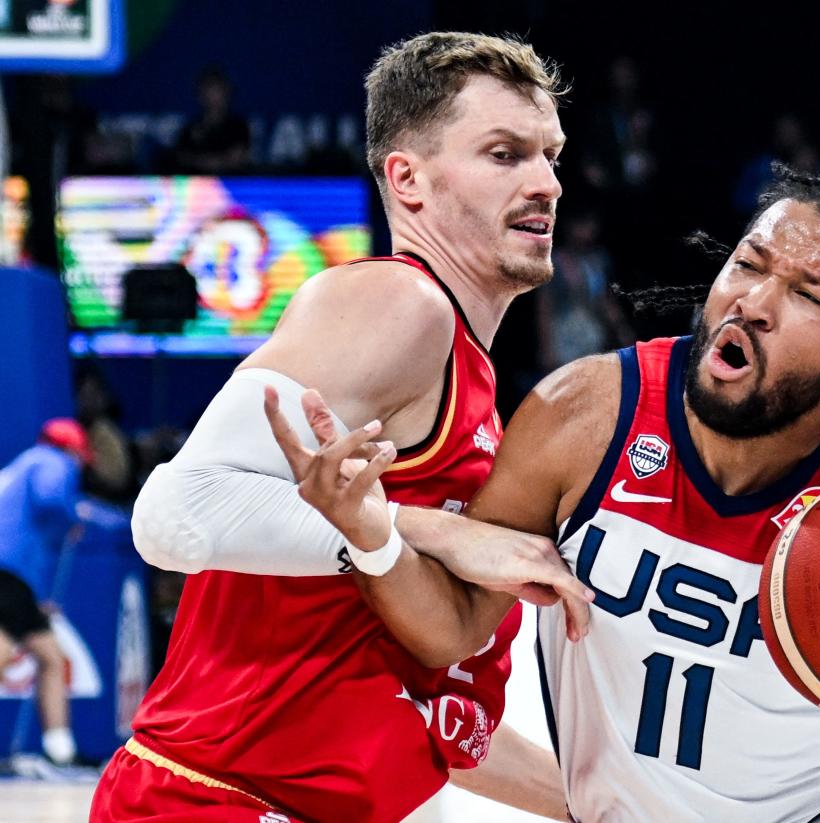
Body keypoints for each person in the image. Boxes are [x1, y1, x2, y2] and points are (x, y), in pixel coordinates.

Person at [274, 163, 820, 821]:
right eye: (749, 265)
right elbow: (455, 629)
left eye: (808, 295)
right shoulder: (586, 412)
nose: (752, 300)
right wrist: (378, 536)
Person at [92, 32, 591, 823]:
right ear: (408, 179)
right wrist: (430, 531)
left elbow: (435, 727)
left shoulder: (471, 385)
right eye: (505, 154)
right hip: (214, 799)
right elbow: (171, 517)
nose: (546, 183)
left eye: (550, 155)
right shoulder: (401, 304)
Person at [0, 418, 92, 767]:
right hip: (7, 573)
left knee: (51, 657)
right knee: (3, 654)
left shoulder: (19, 464)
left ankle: (60, 750)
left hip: (14, 578)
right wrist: (73, 516)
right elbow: (50, 496)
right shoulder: (51, 461)